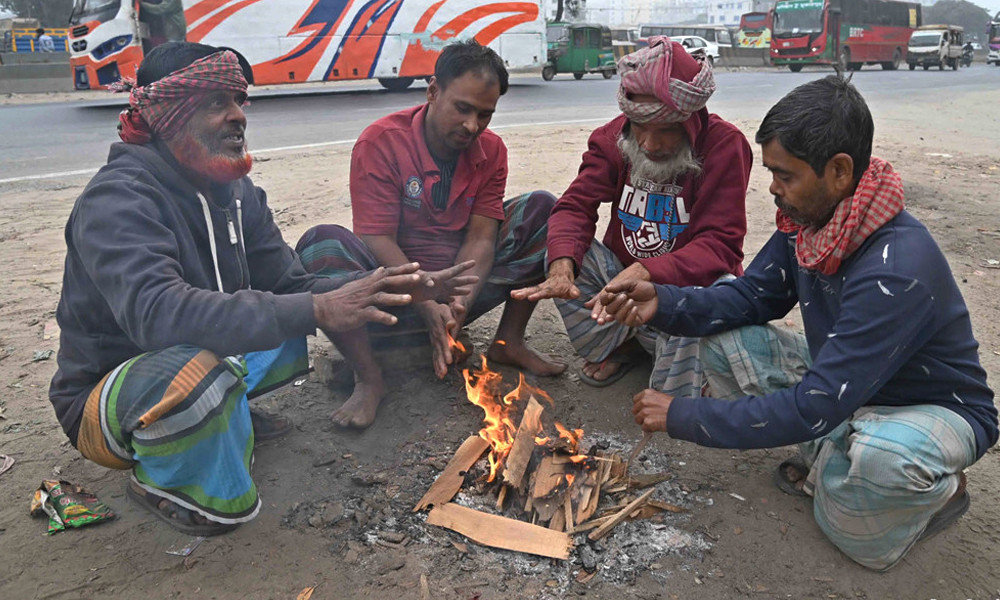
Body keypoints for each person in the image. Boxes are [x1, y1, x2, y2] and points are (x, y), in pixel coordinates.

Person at [49, 42, 474, 536]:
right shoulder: (118, 197)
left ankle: (226, 415)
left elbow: (291, 283)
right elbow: (159, 314)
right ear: (169, 113)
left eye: (239, 101)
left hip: (194, 356)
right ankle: (160, 479)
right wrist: (318, 306)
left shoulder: (235, 192)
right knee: (207, 372)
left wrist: (391, 286)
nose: (238, 117)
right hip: (105, 399)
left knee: (289, 314)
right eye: (217, 103)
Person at [595, 75, 998, 571]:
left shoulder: (895, 269)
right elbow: (749, 297)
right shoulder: (811, 224)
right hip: (850, 386)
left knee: (866, 505)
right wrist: (663, 302)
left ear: (840, 171)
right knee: (719, 337)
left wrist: (683, 416)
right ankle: (837, 458)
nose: (773, 189)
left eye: (785, 176)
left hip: (923, 407)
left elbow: (814, 406)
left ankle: (935, 490)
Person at [296, 40, 564, 429]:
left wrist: (455, 307)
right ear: (433, 90)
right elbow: (376, 236)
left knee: (543, 210)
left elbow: (482, 239)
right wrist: (425, 297)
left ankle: (509, 342)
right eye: (463, 108)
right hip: (394, 291)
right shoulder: (381, 142)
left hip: (455, 287)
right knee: (321, 244)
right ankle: (370, 378)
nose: (473, 125)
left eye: (485, 115)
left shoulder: (492, 151)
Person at [513, 36, 750, 396]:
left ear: (690, 120)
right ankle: (622, 347)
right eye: (640, 128)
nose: (650, 145)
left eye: (667, 131)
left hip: (680, 292)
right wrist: (562, 266)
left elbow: (720, 245)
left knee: (722, 289)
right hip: (619, 291)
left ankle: (675, 389)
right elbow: (575, 207)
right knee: (562, 247)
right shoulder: (612, 138)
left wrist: (647, 271)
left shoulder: (724, 145)